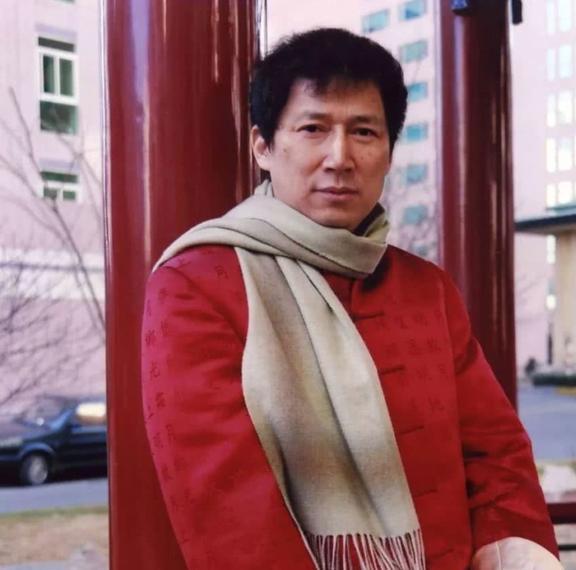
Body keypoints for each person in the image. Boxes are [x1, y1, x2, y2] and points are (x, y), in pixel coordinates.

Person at [141, 28, 562, 570]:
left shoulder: (426, 288)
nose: (339, 157)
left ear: (388, 152)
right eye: (313, 128)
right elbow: (230, 510)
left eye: (364, 132)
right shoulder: (197, 284)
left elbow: (496, 452)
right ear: (263, 146)